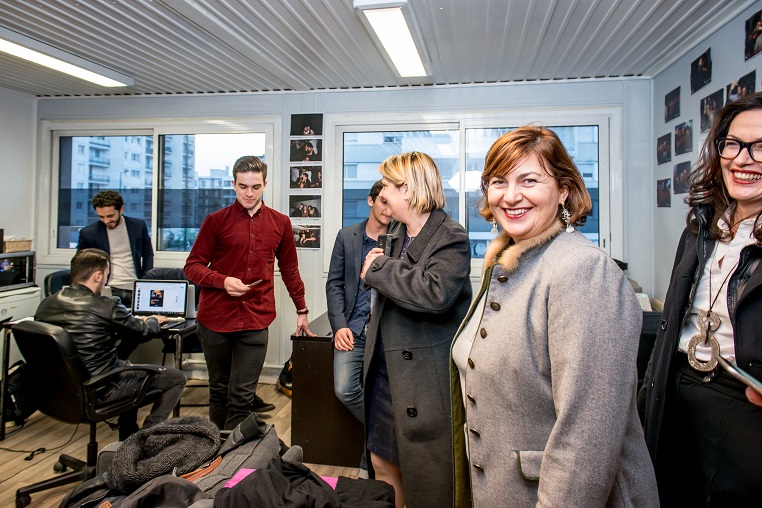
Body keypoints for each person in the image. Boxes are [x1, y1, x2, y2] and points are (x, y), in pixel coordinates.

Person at [451, 126, 658, 507]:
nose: (511, 196)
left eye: (528, 180)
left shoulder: (582, 270)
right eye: (499, 182)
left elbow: (588, 437)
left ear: (563, 190)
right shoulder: (508, 263)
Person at [639, 93, 762, 506]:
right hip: (678, 389)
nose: (743, 159)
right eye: (734, 144)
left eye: (761, 147)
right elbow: (674, 317)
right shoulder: (702, 227)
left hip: (742, 405)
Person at [360, 152, 472, 508]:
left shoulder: (450, 236)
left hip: (423, 377)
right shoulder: (397, 231)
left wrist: (377, 269)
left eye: (388, 187)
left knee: (426, 474)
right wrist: (377, 270)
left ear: (406, 189)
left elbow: (433, 293)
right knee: (381, 460)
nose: (384, 195)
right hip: (386, 367)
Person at [184, 155, 315, 430]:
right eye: (243, 186)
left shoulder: (280, 223)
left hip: (256, 319)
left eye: (255, 186)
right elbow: (192, 268)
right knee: (219, 390)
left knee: (242, 396)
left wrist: (302, 310)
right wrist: (222, 281)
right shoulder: (215, 221)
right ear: (233, 184)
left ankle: (231, 457)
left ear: (265, 184)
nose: (249, 192)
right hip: (215, 319)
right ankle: (216, 454)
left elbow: (290, 270)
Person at [35, 248, 186, 440]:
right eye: (107, 275)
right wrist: (154, 320)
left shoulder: (46, 304)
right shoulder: (106, 305)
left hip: (62, 389)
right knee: (175, 378)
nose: (106, 279)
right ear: (98, 276)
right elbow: (144, 330)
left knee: (127, 367)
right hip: (101, 387)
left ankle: (128, 433)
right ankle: (147, 438)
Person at [326, 181, 391, 472]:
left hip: (385, 332)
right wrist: (339, 326)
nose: (388, 209)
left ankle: (370, 461)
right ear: (370, 201)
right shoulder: (347, 236)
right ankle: (389, 434)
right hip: (352, 329)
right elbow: (335, 284)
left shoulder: (400, 238)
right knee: (345, 389)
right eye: (383, 202)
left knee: (383, 392)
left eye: (393, 203)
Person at [77, 190, 154, 309]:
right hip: (107, 290)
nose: (106, 221)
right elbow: (81, 263)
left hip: (135, 288)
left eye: (110, 216)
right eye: (101, 217)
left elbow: (148, 252)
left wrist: (146, 278)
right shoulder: (89, 233)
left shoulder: (138, 225)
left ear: (121, 209)